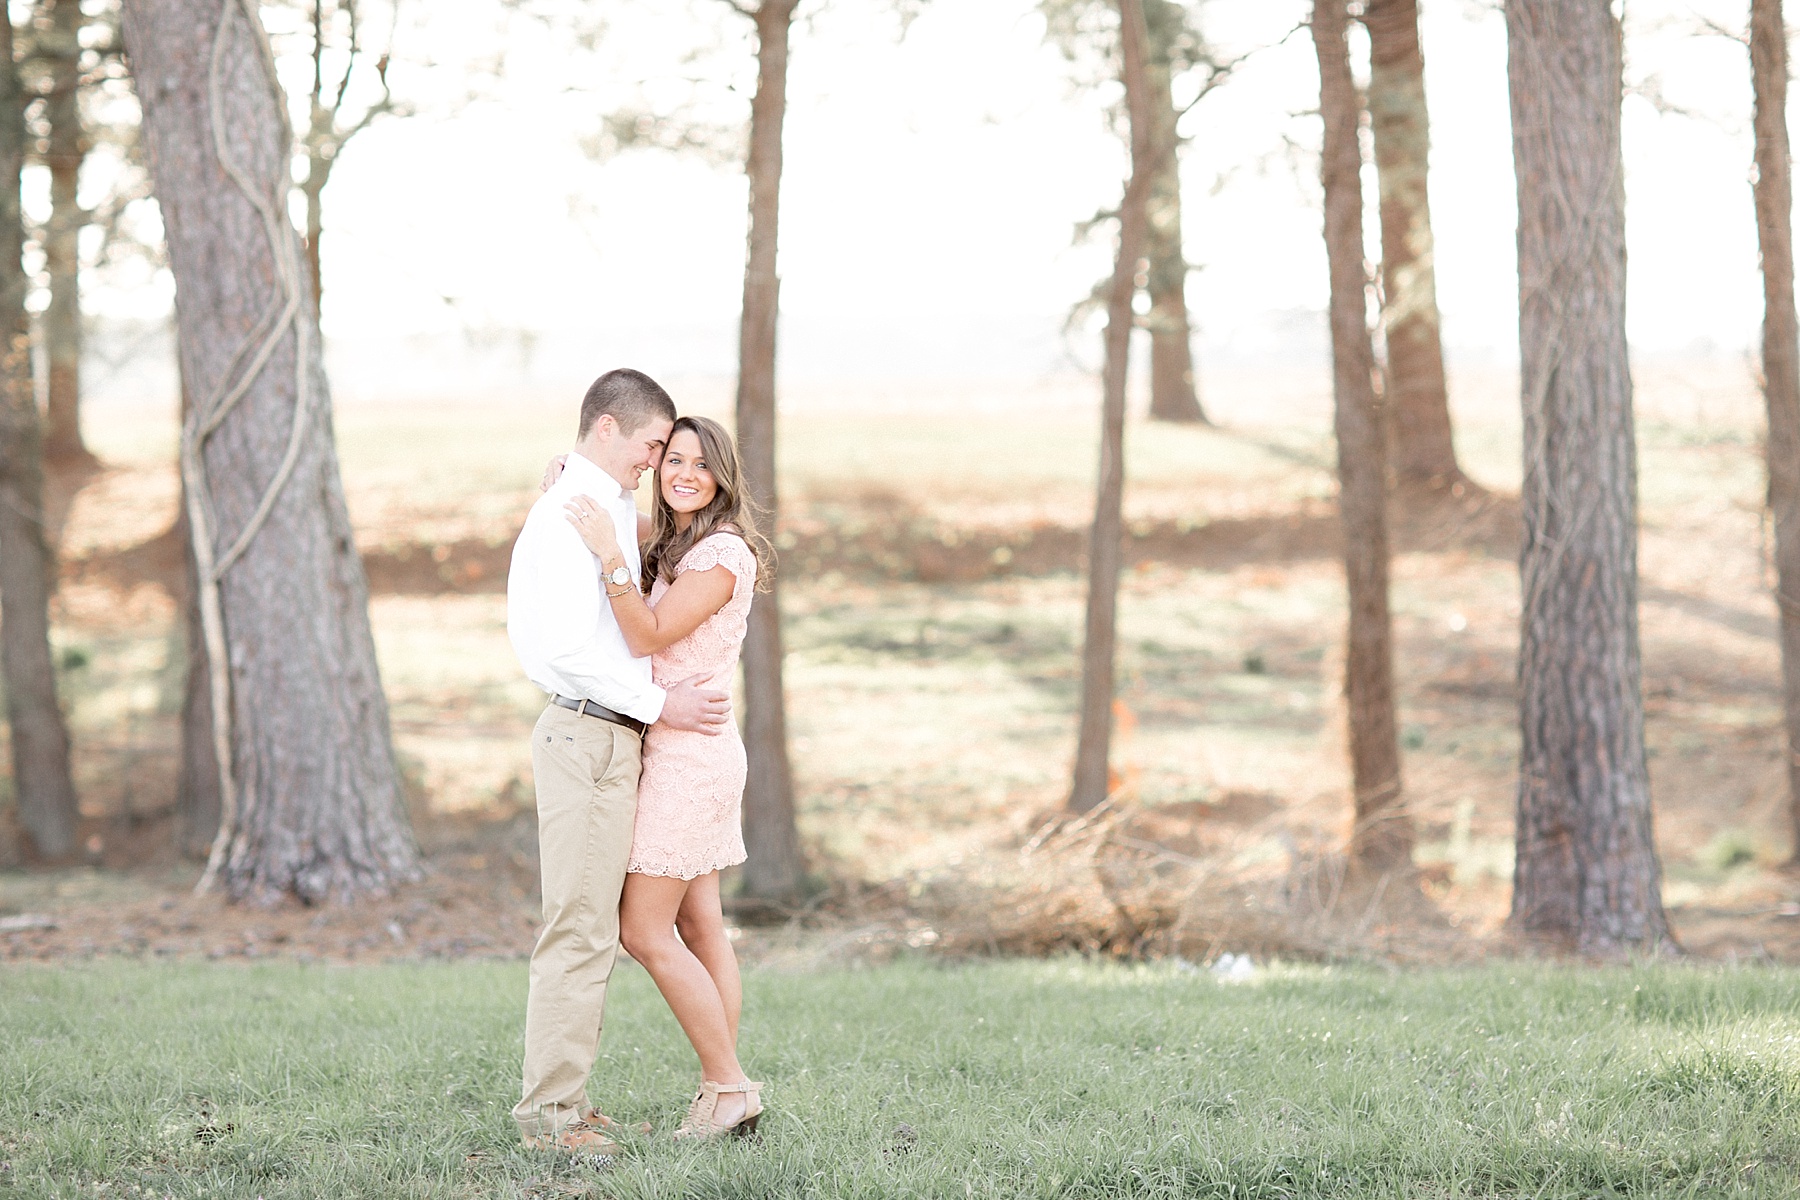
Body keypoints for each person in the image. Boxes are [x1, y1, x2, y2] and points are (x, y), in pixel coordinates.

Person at [506, 369, 733, 1161]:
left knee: (594, 928)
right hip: (588, 736)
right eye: (648, 447)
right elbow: (569, 647)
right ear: (608, 429)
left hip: (606, 738)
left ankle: (572, 1102)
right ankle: (552, 1120)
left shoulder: (596, 504)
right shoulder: (575, 513)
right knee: (576, 929)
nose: (654, 462)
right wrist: (657, 706)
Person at [562, 413, 773, 1140]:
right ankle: (724, 1086)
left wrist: (605, 558)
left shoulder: (720, 554)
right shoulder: (682, 542)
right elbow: (623, 515)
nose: (683, 473)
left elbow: (646, 634)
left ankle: (728, 1084)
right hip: (689, 749)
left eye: (700, 464)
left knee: (644, 930)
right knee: (701, 923)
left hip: (692, 759)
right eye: (671, 459)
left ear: (723, 476)